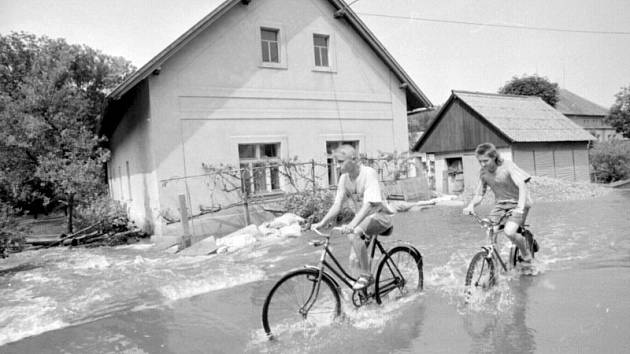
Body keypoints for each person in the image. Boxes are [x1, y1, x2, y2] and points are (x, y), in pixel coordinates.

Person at [311, 145, 394, 290]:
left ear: (354, 159)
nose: (337, 165)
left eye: (341, 161)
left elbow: (369, 205)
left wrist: (352, 225)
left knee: (354, 234)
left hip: (380, 216)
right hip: (363, 221)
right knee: (353, 260)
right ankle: (365, 297)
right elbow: (337, 205)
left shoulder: (369, 173)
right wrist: (322, 222)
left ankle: (367, 276)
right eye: (336, 162)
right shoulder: (344, 179)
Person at [463, 143, 535, 267]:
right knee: (490, 231)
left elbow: (522, 185)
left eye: (486, 161)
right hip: (501, 205)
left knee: (510, 232)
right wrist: (471, 206)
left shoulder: (508, 166)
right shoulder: (483, 173)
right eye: (480, 161)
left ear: (494, 157)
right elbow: (479, 195)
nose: (483, 164)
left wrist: (520, 208)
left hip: (519, 203)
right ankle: (493, 267)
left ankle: (526, 255)